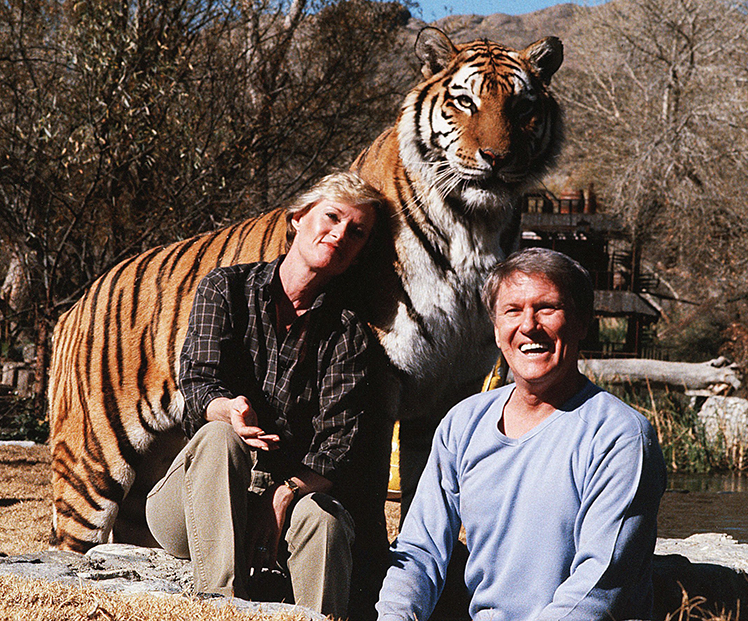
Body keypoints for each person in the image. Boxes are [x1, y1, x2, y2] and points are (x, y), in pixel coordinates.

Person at [376, 247, 667, 621]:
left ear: (581, 323)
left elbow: (599, 585)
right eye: (512, 311)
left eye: (547, 308)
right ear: (496, 329)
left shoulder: (620, 436)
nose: (528, 325)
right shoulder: (463, 423)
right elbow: (419, 550)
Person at [146, 171, 384, 618]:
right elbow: (197, 383)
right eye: (331, 217)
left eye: (356, 232)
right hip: (196, 497)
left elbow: (338, 447)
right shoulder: (226, 289)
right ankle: (222, 606)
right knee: (221, 437)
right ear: (298, 218)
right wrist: (229, 410)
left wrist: (284, 494)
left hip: (285, 496)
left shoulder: (349, 335)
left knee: (326, 521)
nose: (339, 235)